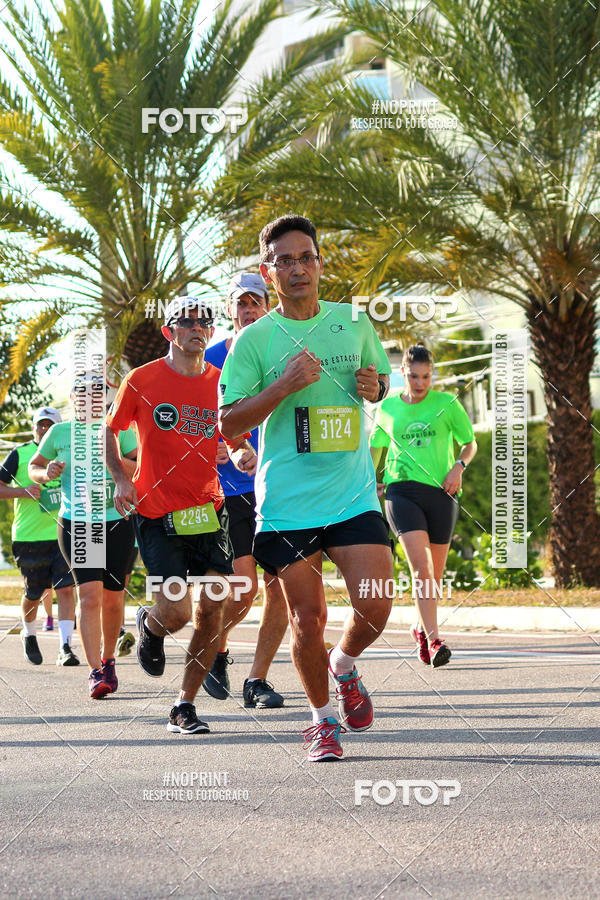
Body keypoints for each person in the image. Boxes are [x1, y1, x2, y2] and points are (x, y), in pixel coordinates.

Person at [219, 214, 393, 762]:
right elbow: (227, 422)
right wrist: (285, 384)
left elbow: (379, 381)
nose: (299, 268)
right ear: (269, 273)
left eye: (307, 257)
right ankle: (320, 721)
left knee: (377, 604)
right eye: (286, 261)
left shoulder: (354, 322)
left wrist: (377, 385)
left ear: (320, 263)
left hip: (352, 491)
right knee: (307, 617)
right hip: (289, 501)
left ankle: (343, 665)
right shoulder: (255, 340)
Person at [105, 297, 254, 735]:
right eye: (187, 322)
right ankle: (150, 625)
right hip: (155, 512)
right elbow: (110, 430)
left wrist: (243, 454)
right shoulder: (143, 379)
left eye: (204, 322)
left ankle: (183, 705)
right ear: (170, 331)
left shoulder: (223, 381)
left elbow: (237, 436)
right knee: (176, 613)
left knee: (214, 606)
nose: (198, 328)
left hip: (209, 510)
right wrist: (120, 478)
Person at [204, 272, 288, 708]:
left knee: (281, 587)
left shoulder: (282, 350)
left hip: (278, 486)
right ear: (231, 308)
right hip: (230, 491)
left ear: (267, 304)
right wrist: (226, 448)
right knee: (244, 588)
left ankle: (257, 680)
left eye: (256, 301)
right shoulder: (212, 359)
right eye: (242, 303)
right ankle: (216, 648)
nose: (250, 309)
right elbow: (197, 424)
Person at [370, 344, 478, 667]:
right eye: (414, 376)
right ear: (403, 373)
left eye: (427, 376)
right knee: (422, 567)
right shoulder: (387, 409)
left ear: (433, 374)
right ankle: (434, 640)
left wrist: (459, 466)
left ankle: (419, 627)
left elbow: (470, 444)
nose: (421, 383)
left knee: (436, 574)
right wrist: (365, 482)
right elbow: (374, 454)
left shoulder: (447, 404)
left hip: (442, 494)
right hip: (401, 493)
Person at [29, 376, 137, 697]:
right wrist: (45, 473)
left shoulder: (119, 430)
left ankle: (109, 659)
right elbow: (36, 465)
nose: (89, 399)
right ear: (74, 398)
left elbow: (141, 465)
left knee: (114, 598)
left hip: (117, 519)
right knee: (89, 594)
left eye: (96, 393)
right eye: (82, 393)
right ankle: (95, 671)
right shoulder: (58, 433)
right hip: (78, 522)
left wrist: (117, 466)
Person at [0, 406, 79, 667]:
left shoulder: (70, 453)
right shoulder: (20, 454)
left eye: (49, 425)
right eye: (40, 425)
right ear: (34, 427)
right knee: (34, 592)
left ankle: (65, 647)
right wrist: (21, 492)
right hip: (29, 536)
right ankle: (29, 632)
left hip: (65, 532)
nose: (43, 429)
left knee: (66, 589)